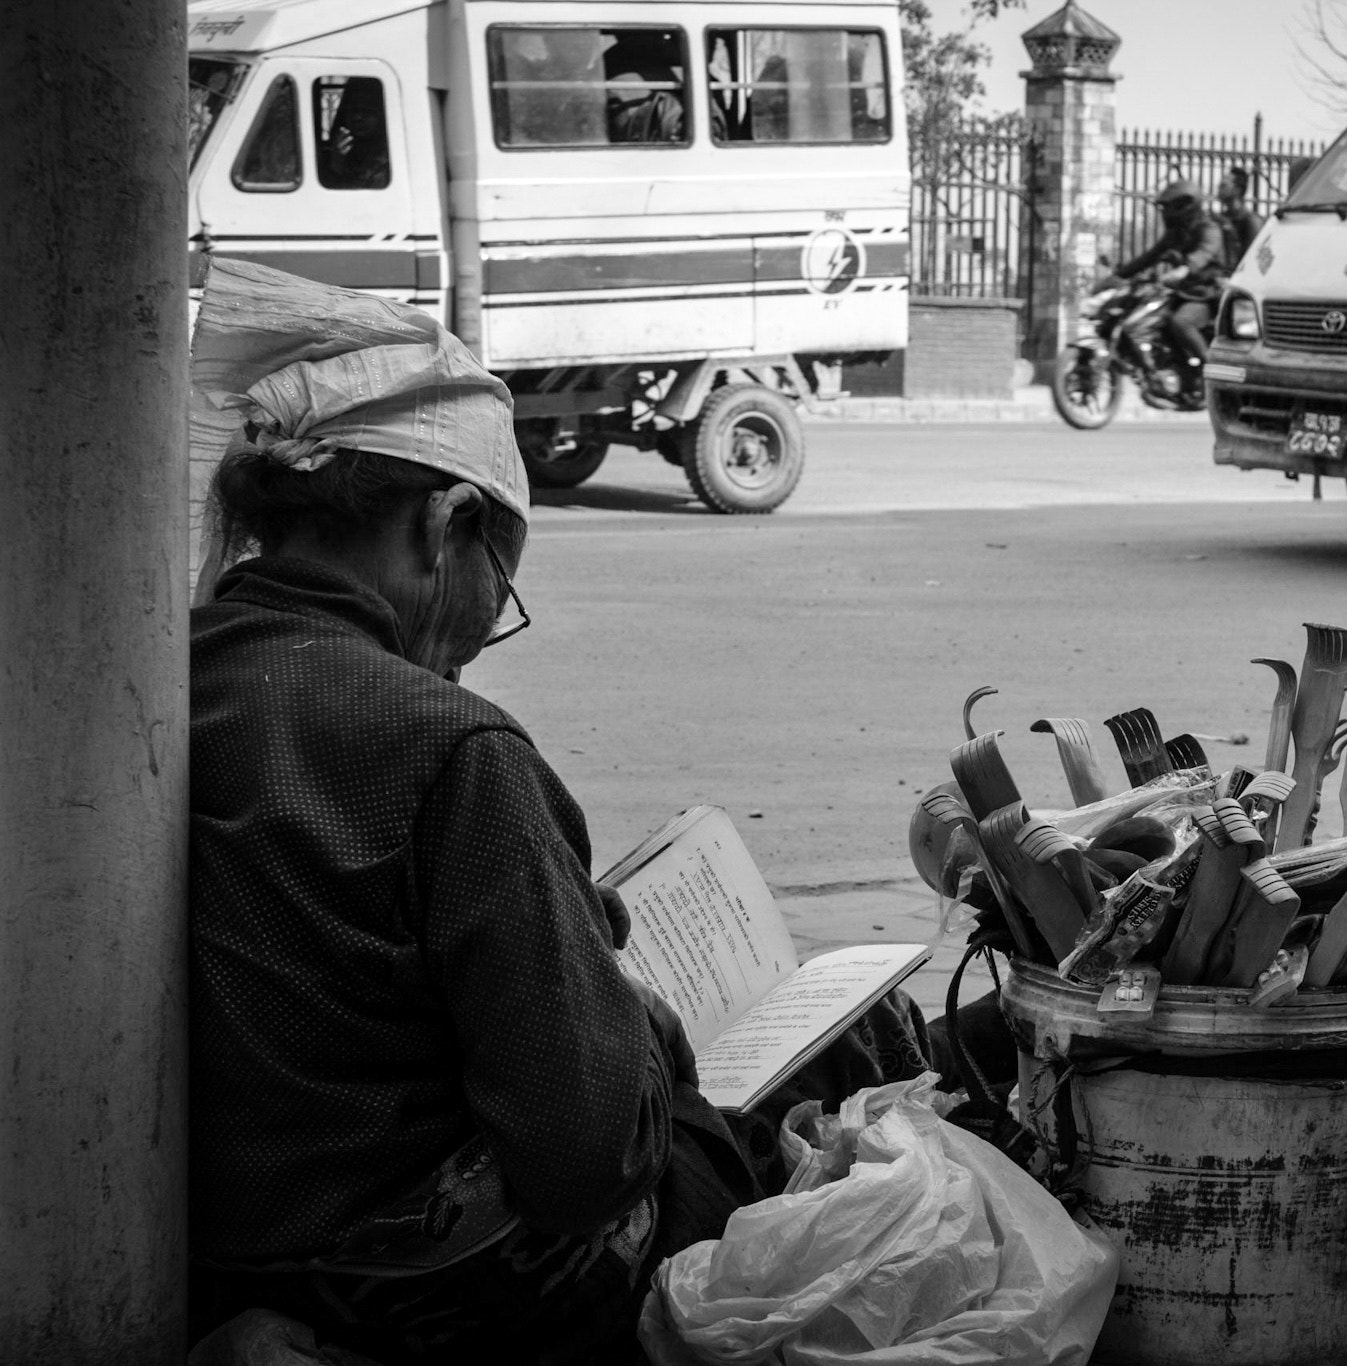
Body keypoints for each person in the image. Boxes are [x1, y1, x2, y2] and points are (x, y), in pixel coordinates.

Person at [184, 259, 930, 1365]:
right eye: (504, 579)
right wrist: (634, 1018)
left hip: (236, 1246)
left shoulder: (161, 686)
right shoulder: (452, 751)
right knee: (795, 1077)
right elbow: (584, 1166)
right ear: (447, 525)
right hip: (423, 1277)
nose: (488, 627)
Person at [1114, 178, 1227, 376]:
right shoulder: (1176, 233)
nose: (1167, 212)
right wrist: (1117, 276)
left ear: (1187, 207)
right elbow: (1150, 257)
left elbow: (1203, 254)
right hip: (1182, 293)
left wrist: (1183, 269)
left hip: (1206, 295)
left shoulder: (1209, 229)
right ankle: (1170, 368)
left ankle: (1213, 373)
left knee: (1181, 322)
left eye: (1171, 206)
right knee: (1150, 317)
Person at [1216, 165, 1262, 268]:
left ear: (1237, 190)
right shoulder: (1221, 218)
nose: (1219, 188)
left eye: (1224, 185)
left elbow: (1252, 257)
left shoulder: (1251, 221)